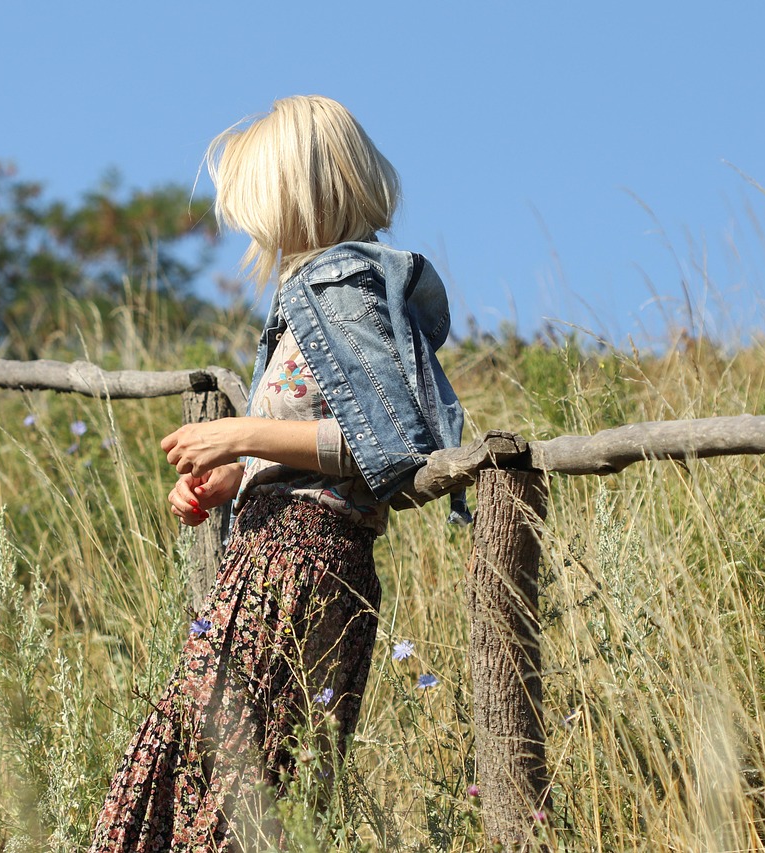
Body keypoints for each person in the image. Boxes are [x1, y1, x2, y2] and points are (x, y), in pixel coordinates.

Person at [89, 95, 465, 852]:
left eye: (256, 204)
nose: (251, 226)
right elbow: (327, 438)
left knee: (219, 800)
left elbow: (388, 443)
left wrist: (237, 432)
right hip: (292, 558)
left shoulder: (338, 288)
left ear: (296, 193)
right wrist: (241, 473)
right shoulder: (318, 296)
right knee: (228, 798)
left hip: (298, 567)